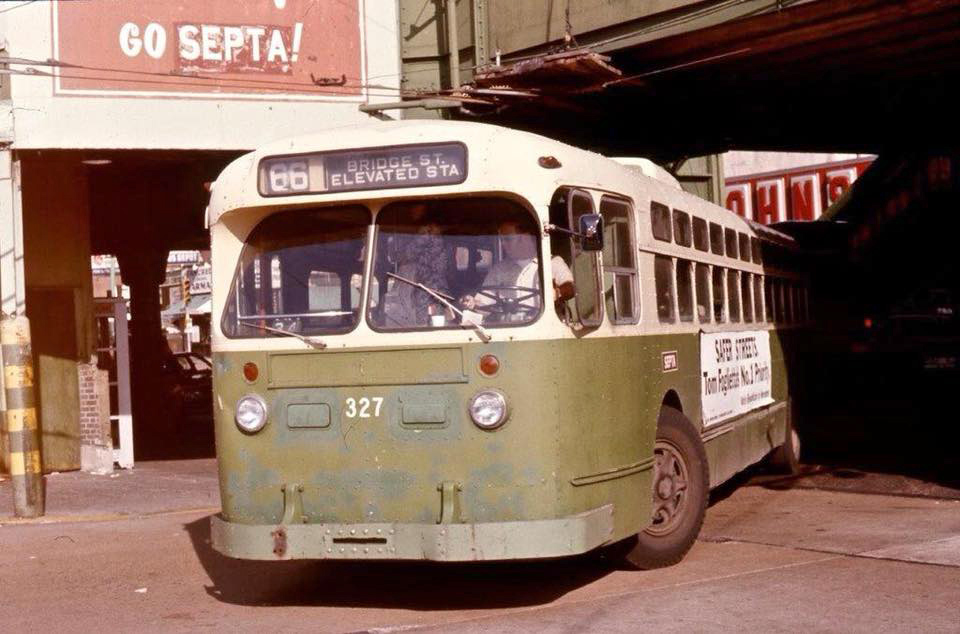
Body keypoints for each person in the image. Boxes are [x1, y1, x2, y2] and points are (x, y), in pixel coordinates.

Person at [462, 220, 574, 321]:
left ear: (525, 237)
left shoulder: (552, 262)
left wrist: (557, 293)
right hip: (511, 330)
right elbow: (484, 303)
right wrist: (472, 303)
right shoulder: (499, 269)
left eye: (508, 239)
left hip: (543, 327)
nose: (503, 244)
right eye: (502, 240)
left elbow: (570, 288)